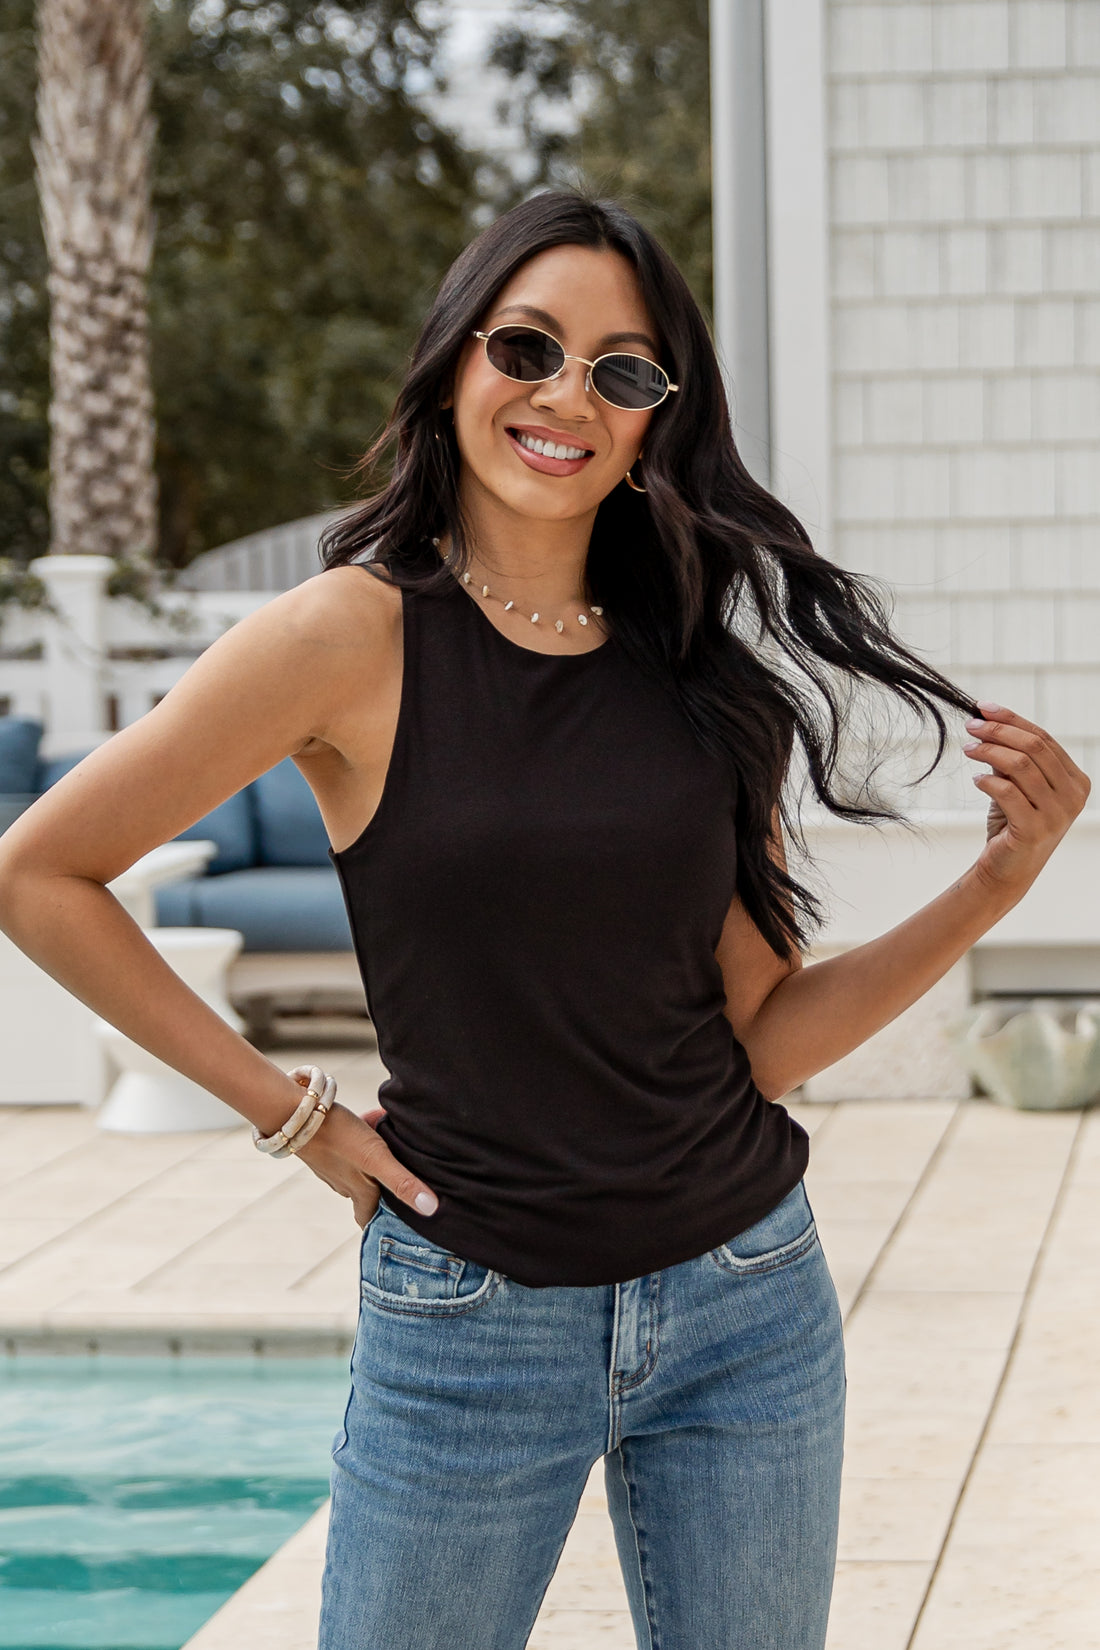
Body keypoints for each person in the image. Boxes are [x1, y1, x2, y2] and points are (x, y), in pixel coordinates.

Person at [0, 190, 1088, 1650]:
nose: (568, 393)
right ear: (457, 361)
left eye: (623, 371)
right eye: (530, 346)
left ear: (653, 423)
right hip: (469, 1318)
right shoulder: (349, 633)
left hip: (744, 1297)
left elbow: (762, 1037)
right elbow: (40, 872)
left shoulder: (702, 676)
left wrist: (995, 888)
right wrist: (294, 1113)